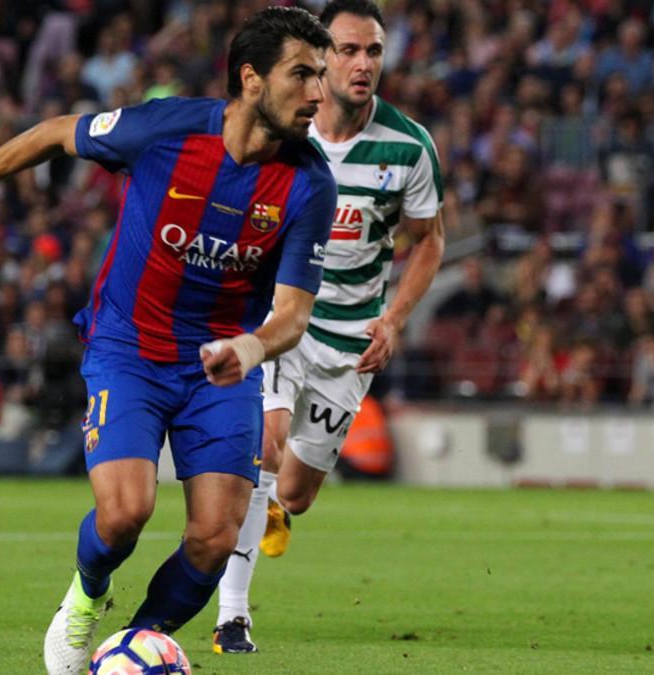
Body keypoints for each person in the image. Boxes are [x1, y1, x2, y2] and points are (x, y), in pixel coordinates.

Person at [0, 8, 335, 674]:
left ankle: (135, 646)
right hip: (131, 349)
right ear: (252, 79)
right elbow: (61, 132)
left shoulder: (310, 184)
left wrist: (251, 350)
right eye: (303, 74)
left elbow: (292, 313)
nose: (319, 92)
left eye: (321, 75)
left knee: (214, 536)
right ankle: (87, 597)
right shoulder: (167, 129)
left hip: (223, 366)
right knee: (124, 514)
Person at [213, 0, 445, 654]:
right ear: (321, 59)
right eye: (347, 50)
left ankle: (278, 507)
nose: (361, 63)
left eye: (372, 51)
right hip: (284, 317)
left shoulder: (408, 146)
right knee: (265, 445)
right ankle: (233, 616)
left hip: (352, 344)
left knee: (298, 489)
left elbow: (429, 241)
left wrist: (395, 318)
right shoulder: (288, 132)